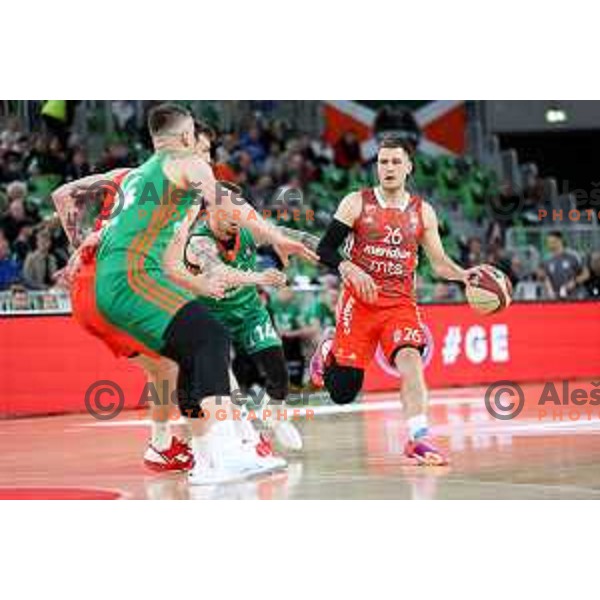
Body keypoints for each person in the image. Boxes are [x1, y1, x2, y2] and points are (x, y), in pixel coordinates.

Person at [52, 103, 315, 485]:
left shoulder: (136, 179)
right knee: (211, 338)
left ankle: (206, 458)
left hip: (116, 279)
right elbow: (223, 198)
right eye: (202, 148)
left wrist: (200, 284)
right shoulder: (185, 161)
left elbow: (172, 261)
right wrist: (278, 237)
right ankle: (227, 448)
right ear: (188, 137)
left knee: (183, 357)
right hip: (130, 278)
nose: (204, 157)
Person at [311, 134, 474, 466]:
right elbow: (324, 249)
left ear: (409, 167)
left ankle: (419, 438)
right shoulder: (356, 202)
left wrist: (464, 275)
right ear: (376, 166)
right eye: (383, 161)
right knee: (343, 393)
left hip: (399, 305)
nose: (388, 167)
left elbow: (440, 263)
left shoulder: (422, 212)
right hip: (359, 303)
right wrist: (348, 268)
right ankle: (330, 349)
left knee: (411, 362)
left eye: (395, 161)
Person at [185, 209, 303, 452]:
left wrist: (324, 249)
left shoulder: (248, 231)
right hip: (212, 315)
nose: (234, 221)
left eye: (236, 215)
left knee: (279, 375)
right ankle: (246, 436)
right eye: (226, 215)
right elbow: (219, 272)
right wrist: (260, 277)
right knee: (224, 379)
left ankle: (275, 418)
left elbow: (286, 234)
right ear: (210, 214)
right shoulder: (199, 242)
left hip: (250, 312)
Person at [541, 231, 587, 299]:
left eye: (553, 242)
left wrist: (574, 282)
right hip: (556, 299)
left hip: (575, 297)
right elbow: (546, 278)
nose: (550, 245)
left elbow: (586, 274)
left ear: (560, 241)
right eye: (548, 243)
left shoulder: (573, 256)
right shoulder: (547, 260)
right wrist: (549, 290)